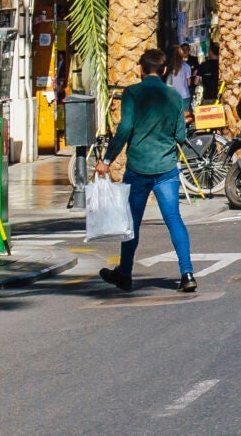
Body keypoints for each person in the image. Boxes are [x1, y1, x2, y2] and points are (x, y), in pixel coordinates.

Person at [96, 47, 195, 294]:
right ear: (163, 71)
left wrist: (107, 159)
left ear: (141, 69)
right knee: (174, 219)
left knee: (133, 223)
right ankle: (187, 273)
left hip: (138, 167)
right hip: (166, 168)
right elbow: (180, 135)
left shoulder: (132, 93)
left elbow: (125, 129)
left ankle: (125, 274)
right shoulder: (173, 96)